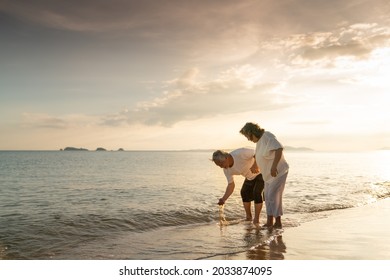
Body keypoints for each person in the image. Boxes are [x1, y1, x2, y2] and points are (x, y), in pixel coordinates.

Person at [240, 122, 289, 228]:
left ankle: (278, 222)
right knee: (267, 197)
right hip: (267, 175)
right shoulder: (259, 142)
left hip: (278, 172)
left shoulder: (267, 135)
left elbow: (279, 148)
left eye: (247, 136)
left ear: (251, 132)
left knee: (273, 196)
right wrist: (255, 165)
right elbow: (259, 155)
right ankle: (269, 222)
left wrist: (274, 166)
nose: (248, 139)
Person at [211, 148, 264, 224]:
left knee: (257, 192)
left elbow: (257, 153)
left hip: (262, 172)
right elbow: (231, 185)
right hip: (250, 176)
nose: (221, 167)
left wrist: (256, 165)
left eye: (221, 164)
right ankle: (248, 217)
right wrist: (223, 199)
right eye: (218, 166)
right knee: (244, 192)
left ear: (226, 158)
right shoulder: (226, 170)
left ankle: (256, 219)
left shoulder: (240, 153)